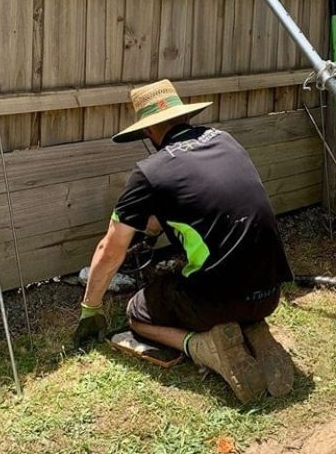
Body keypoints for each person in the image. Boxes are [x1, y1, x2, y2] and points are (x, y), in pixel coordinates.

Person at [73, 79, 295, 403]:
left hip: (215, 302)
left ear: (148, 132)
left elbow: (110, 249)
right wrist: (150, 231)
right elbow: (200, 202)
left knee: (138, 312)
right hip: (270, 292)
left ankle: (205, 349)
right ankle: (252, 329)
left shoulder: (150, 173)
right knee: (229, 286)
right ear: (185, 117)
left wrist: (89, 309)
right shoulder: (225, 140)